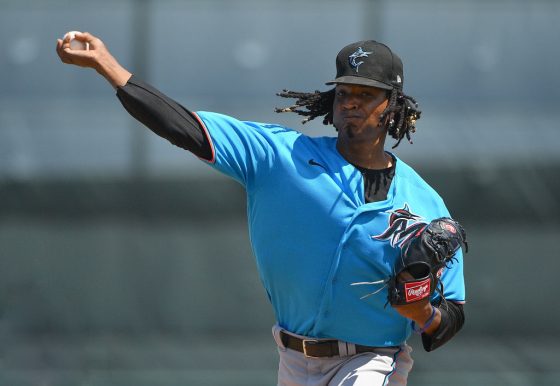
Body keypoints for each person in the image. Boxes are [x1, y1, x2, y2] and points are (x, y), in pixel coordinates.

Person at [56, 33, 466, 385]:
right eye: (345, 93)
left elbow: (451, 317)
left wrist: (425, 313)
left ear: (393, 104)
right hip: (292, 358)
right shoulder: (279, 157)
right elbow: (183, 127)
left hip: (372, 359)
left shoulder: (425, 204)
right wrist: (108, 67)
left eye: (366, 94)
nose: (351, 103)